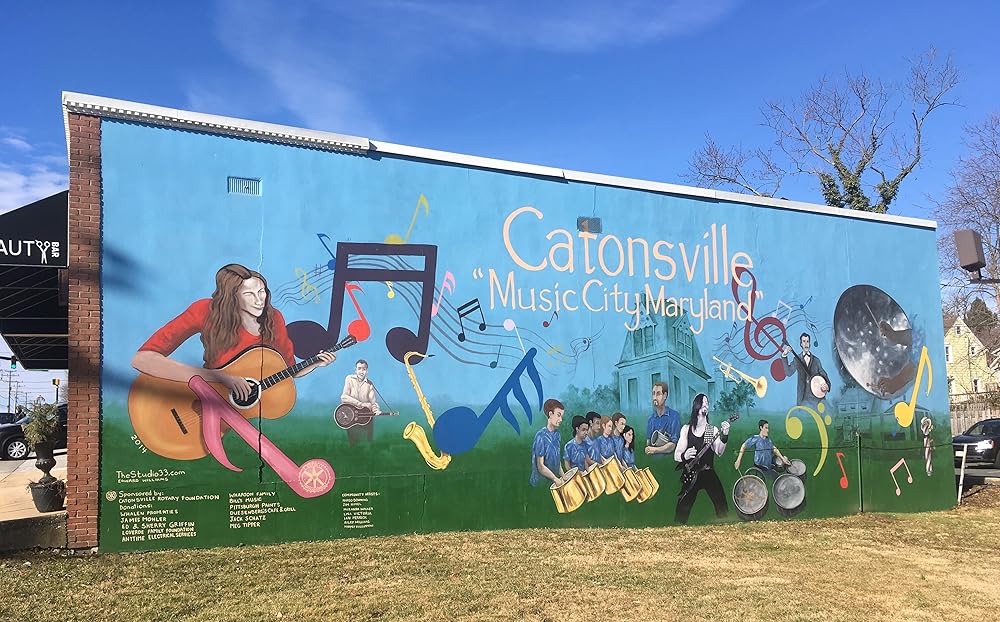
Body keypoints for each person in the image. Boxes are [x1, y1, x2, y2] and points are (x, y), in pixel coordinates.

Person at [132, 263, 335, 401]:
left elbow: (288, 369)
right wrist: (220, 378)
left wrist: (315, 363)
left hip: (239, 413)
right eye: (249, 294)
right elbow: (142, 359)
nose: (259, 300)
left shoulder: (273, 318)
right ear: (232, 297)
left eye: (261, 292)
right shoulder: (204, 311)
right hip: (203, 400)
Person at [673, 393, 731, 524]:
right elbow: (676, 455)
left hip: (707, 471)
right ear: (697, 405)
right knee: (682, 506)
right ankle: (678, 527)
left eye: (707, 403)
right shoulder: (687, 429)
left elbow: (719, 451)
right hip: (691, 473)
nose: (706, 406)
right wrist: (684, 455)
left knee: (721, 503)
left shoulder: (711, 430)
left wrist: (725, 436)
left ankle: (725, 525)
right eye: (703, 403)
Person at [340, 359, 381, 445]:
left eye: (364, 369)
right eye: (359, 369)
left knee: (368, 441)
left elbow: (373, 402)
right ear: (355, 370)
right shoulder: (349, 379)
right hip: (351, 416)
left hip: (365, 417)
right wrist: (360, 404)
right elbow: (344, 397)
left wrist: (376, 410)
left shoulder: (370, 384)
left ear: (367, 371)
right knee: (352, 442)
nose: (361, 371)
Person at [782, 333, 830, 407]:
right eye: (804, 341)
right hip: (803, 398)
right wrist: (784, 355)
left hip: (817, 399)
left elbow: (823, 374)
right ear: (801, 344)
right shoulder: (797, 359)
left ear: (810, 343)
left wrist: (827, 385)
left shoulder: (816, 360)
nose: (806, 344)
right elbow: (788, 372)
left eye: (807, 341)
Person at [530, 398, 565, 487]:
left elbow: (557, 460)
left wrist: (563, 476)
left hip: (554, 482)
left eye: (562, 416)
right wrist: (555, 479)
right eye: (558, 415)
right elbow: (540, 466)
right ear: (550, 414)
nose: (561, 419)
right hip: (541, 483)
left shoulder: (557, 434)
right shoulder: (541, 436)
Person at [645, 381, 680, 457]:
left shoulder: (674, 416)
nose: (655, 397)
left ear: (665, 396)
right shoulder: (651, 419)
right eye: (653, 393)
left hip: (668, 460)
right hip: (653, 461)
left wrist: (655, 450)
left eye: (658, 394)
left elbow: (673, 445)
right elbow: (648, 443)